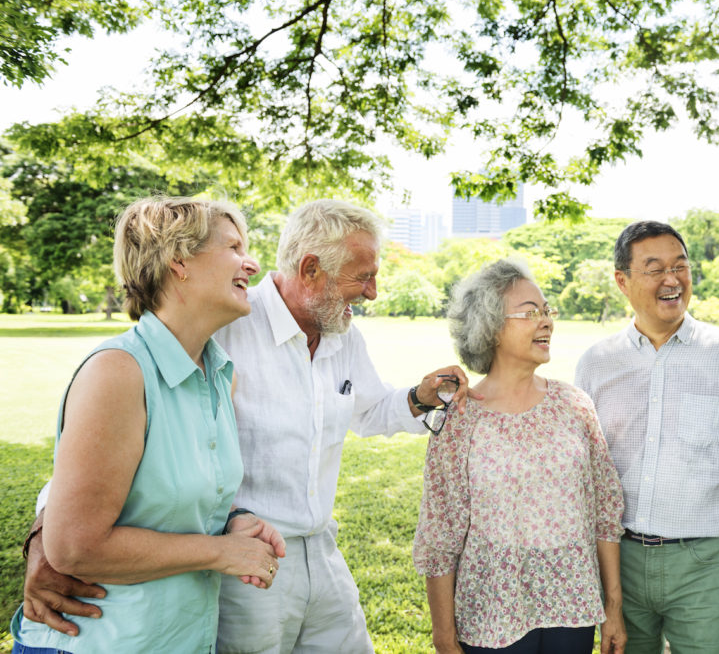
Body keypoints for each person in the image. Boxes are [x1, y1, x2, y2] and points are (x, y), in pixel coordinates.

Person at [21, 199, 475, 653]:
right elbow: (99, 443)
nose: (372, 292)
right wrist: (48, 534)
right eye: (362, 276)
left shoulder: (306, 344)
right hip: (238, 565)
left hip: (313, 548)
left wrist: (419, 397)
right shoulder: (219, 325)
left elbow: (370, 409)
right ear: (311, 269)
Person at [11, 197, 285, 653]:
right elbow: (75, 547)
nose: (251, 264)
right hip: (93, 642)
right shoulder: (119, 371)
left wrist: (234, 521)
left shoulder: (220, 376)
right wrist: (220, 552)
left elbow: (173, 501)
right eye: (234, 248)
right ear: (178, 260)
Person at [414, 258, 627, 654]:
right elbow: (439, 538)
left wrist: (612, 608)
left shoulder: (574, 405)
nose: (546, 321)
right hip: (491, 615)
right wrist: (444, 637)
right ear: (491, 326)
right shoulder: (460, 418)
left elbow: (605, 512)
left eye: (548, 311)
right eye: (531, 313)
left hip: (572, 609)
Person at [575, 221, 719, 654]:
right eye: (655, 268)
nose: (672, 279)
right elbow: (584, 469)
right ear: (622, 281)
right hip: (619, 559)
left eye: (681, 266)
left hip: (703, 561)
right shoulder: (595, 363)